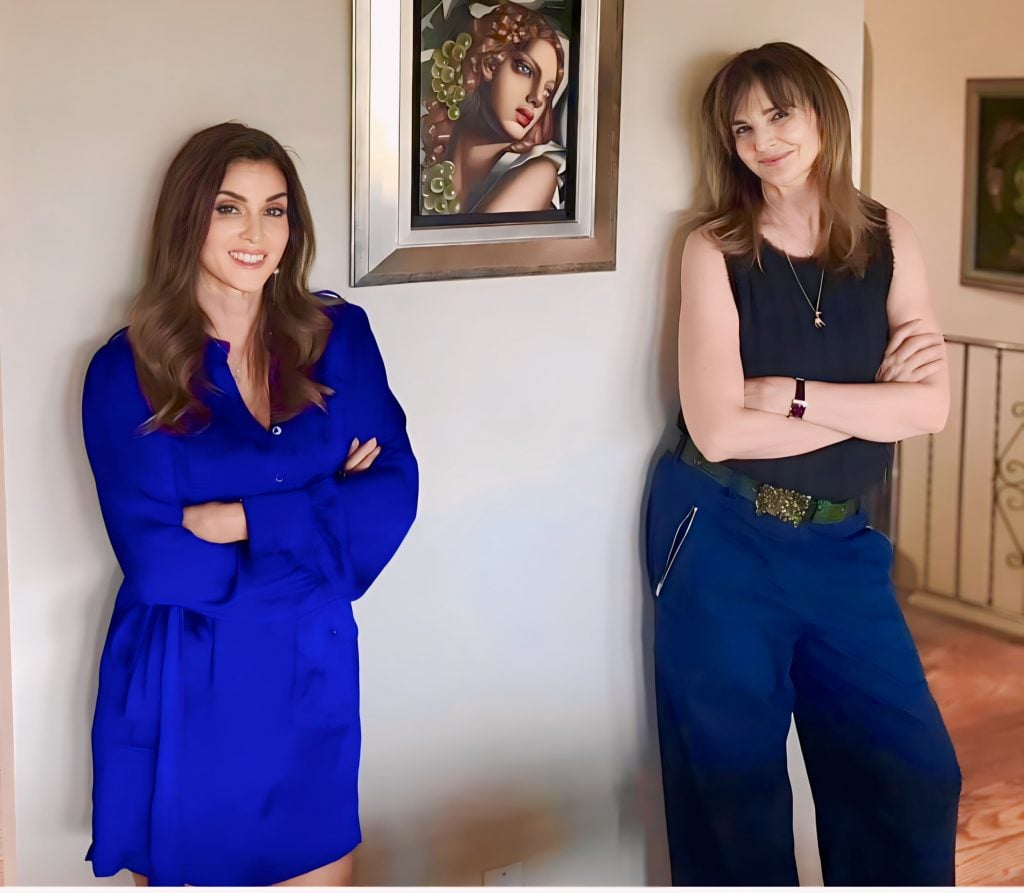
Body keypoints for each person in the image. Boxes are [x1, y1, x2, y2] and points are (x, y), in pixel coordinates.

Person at [645, 43, 961, 886]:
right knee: (736, 799)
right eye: (742, 126)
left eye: (779, 114)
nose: (761, 140)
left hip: (842, 546)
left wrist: (782, 392)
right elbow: (715, 430)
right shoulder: (713, 247)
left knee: (914, 774)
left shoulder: (888, 238)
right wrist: (864, 408)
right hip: (719, 532)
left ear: (822, 113)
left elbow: (928, 408)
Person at [82, 122, 418, 886]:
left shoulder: (339, 338)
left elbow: (394, 499)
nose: (256, 232)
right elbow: (163, 564)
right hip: (190, 690)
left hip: (314, 679)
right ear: (188, 217)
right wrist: (326, 510)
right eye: (229, 208)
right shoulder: (125, 371)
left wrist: (244, 521)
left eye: (276, 209)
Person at [419, 1, 567, 215]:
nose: (537, 99)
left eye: (547, 91)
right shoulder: (422, 165)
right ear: (489, 63)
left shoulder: (540, 171)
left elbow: (473, 248)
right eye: (525, 69)